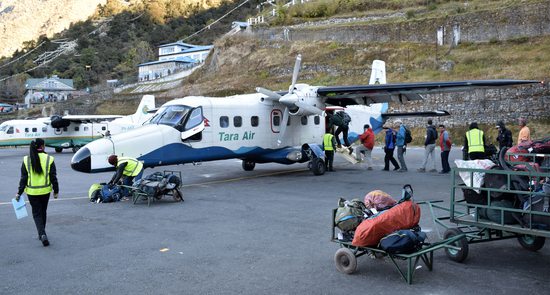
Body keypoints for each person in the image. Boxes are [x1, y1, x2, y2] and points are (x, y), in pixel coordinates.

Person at [16, 138, 59, 247]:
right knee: (43, 211)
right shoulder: (49, 158)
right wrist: (56, 190)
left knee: (36, 213)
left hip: (32, 192)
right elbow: (53, 176)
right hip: (45, 191)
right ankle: (42, 232)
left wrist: (19, 192)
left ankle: (42, 234)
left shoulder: (26, 159)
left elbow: (23, 178)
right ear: (42, 146)